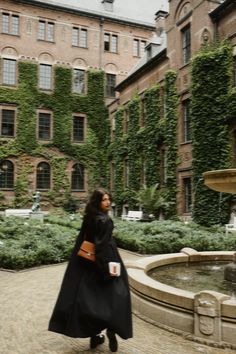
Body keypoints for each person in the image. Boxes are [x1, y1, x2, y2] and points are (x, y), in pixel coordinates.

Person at [48, 188, 133, 352]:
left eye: (109, 199)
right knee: (115, 298)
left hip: (87, 264)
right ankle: (111, 329)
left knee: (90, 302)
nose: (108, 202)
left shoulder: (90, 217)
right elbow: (101, 248)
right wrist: (106, 270)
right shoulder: (104, 220)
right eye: (104, 200)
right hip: (105, 263)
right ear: (97, 202)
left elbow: (84, 241)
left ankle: (95, 335)